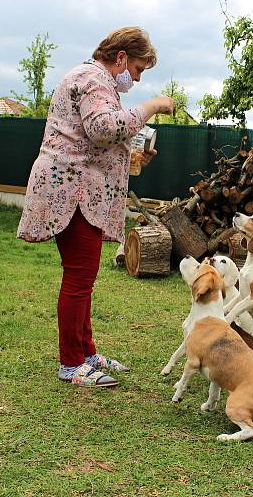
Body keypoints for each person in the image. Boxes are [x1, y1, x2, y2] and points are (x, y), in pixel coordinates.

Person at [17, 27, 174, 387]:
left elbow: (95, 139)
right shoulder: (93, 79)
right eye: (137, 69)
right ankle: (71, 364)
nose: (135, 78)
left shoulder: (94, 80)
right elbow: (104, 128)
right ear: (120, 58)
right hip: (72, 191)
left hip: (75, 188)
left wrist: (133, 156)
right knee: (78, 277)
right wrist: (151, 106)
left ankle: (86, 353)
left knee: (82, 277)